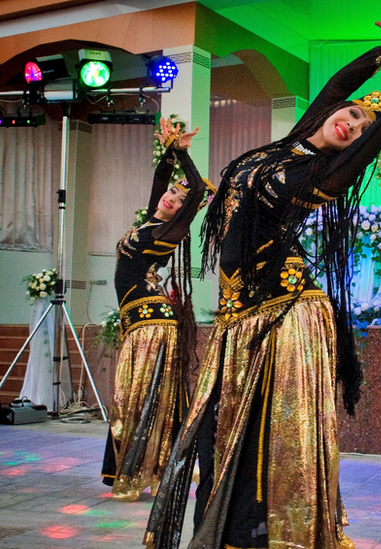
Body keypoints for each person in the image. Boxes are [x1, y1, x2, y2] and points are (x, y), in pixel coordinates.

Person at [144, 3, 381, 548]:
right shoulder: (291, 141)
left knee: (268, 434)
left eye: (360, 129)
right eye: (350, 115)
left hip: (284, 311)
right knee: (218, 434)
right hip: (238, 314)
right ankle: (228, 533)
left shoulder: (326, 173)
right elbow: (342, 83)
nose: (352, 123)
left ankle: (270, 535)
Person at [101, 118, 209, 502]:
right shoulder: (151, 221)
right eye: (172, 194)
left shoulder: (169, 232)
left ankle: (148, 471)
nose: (172, 198)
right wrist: (169, 151)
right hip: (139, 326)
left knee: (142, 399)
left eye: (179, 201)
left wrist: (183, 155)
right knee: (135, 398)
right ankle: (147, 469)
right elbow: (160, 180)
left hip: (152, 324)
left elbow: (196, 189)